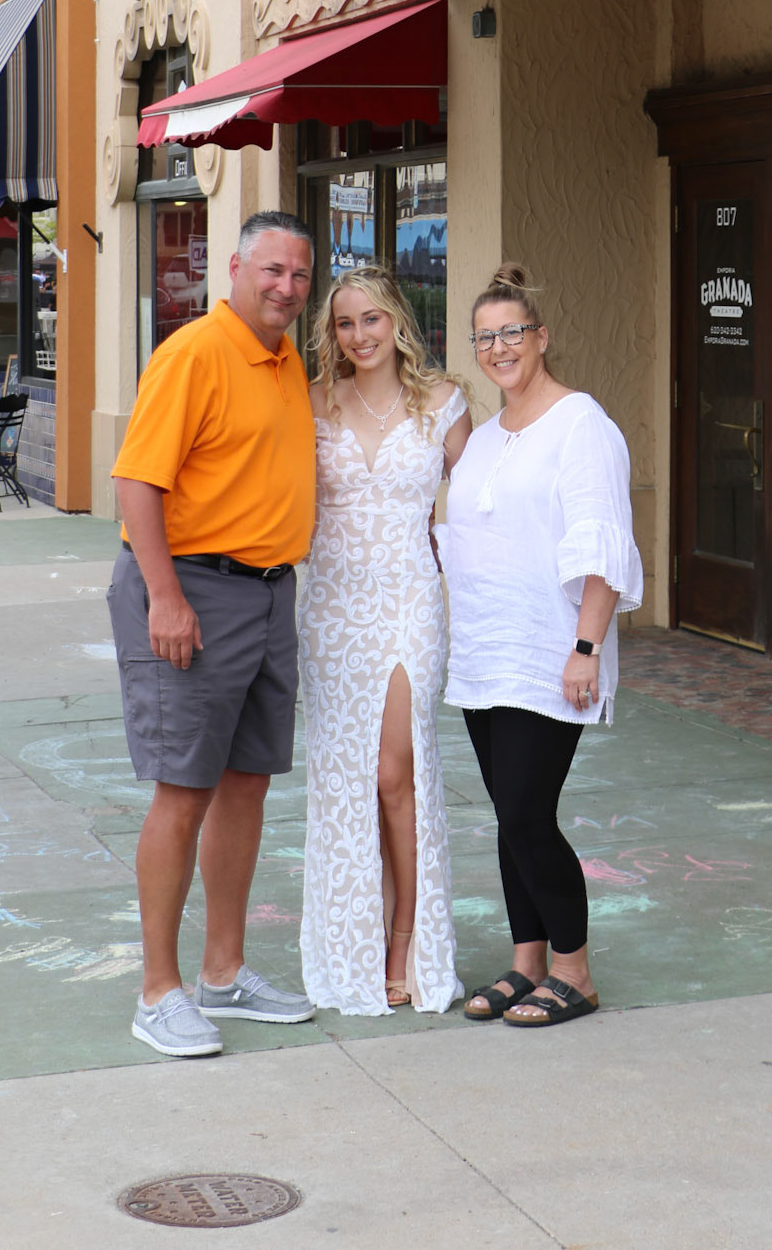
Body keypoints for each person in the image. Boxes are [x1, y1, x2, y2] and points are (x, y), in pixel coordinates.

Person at [107, 211, 317, 1059]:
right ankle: (159, 991)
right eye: (271, 270)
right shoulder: (194, 352)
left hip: (268, 596)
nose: (286, 288)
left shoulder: (287, 358)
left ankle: (223, 973)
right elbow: (135, 482)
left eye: (299, 275)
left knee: (245, 784)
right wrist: (165, 598)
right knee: (182, 789)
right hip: (193, 589)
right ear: (234, 266)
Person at [439, 263, 643, 1029]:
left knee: (528, 812)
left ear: (541, 336)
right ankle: (526, 963)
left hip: (551, 653)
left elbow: (603, 544)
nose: (498, 349)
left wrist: (586, 646)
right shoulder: (487, 438)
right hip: (487, 648)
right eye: (484, 338)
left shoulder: (580, 423)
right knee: (506, 813)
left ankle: (574, 971)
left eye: (511, 333)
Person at [299, 266, 470, 1015]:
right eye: (344, 324)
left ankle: (405, 941)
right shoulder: (309, 402)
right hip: (331, 611)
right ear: (330, 333)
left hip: (408, 602)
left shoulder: (442, 403)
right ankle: (353, 944)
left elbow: (481, 510)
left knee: (393, 772)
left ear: (395, 320)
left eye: (371, 319)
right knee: (345, 779)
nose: (359, 335)